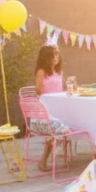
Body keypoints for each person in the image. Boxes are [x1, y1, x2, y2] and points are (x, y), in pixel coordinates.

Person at [34, 43, 64, 171]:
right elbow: (39, 91)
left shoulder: (59, 72)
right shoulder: (42, 72)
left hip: (59, 108)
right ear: (46, 58)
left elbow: (60, 90)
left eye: (57, 55)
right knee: (57, 127)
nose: (56, 58)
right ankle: (43, 160)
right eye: (53, 56)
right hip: (45, 111)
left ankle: (64, 155)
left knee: (70, 121)